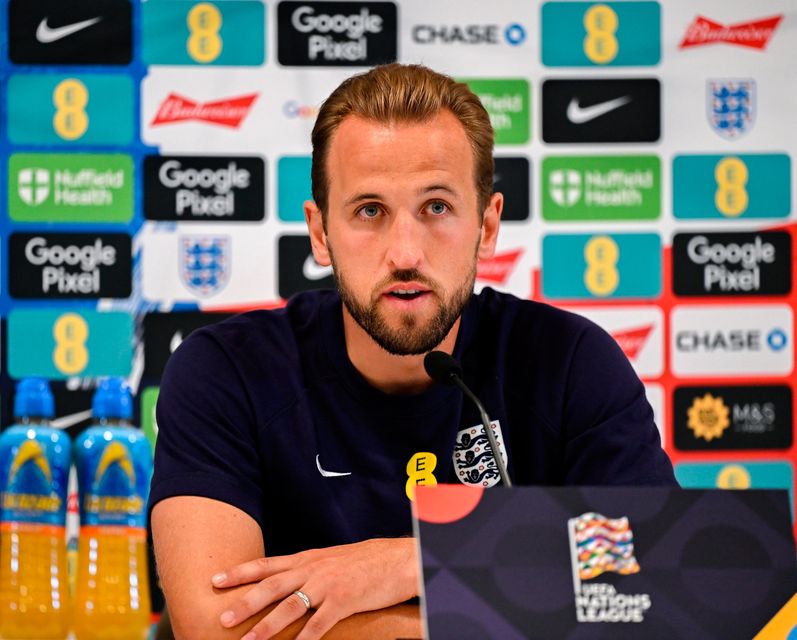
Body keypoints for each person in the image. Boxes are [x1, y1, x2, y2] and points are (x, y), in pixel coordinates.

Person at [149, 63, 676, 640]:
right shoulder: (226, 372)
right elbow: (218, 628)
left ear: (488, 224)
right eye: (369, 211)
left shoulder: (570, 361)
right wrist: (506, 606)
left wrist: (409, 562)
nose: (405, 252)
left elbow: (661, 580)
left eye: (437, 208)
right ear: (320, 232)